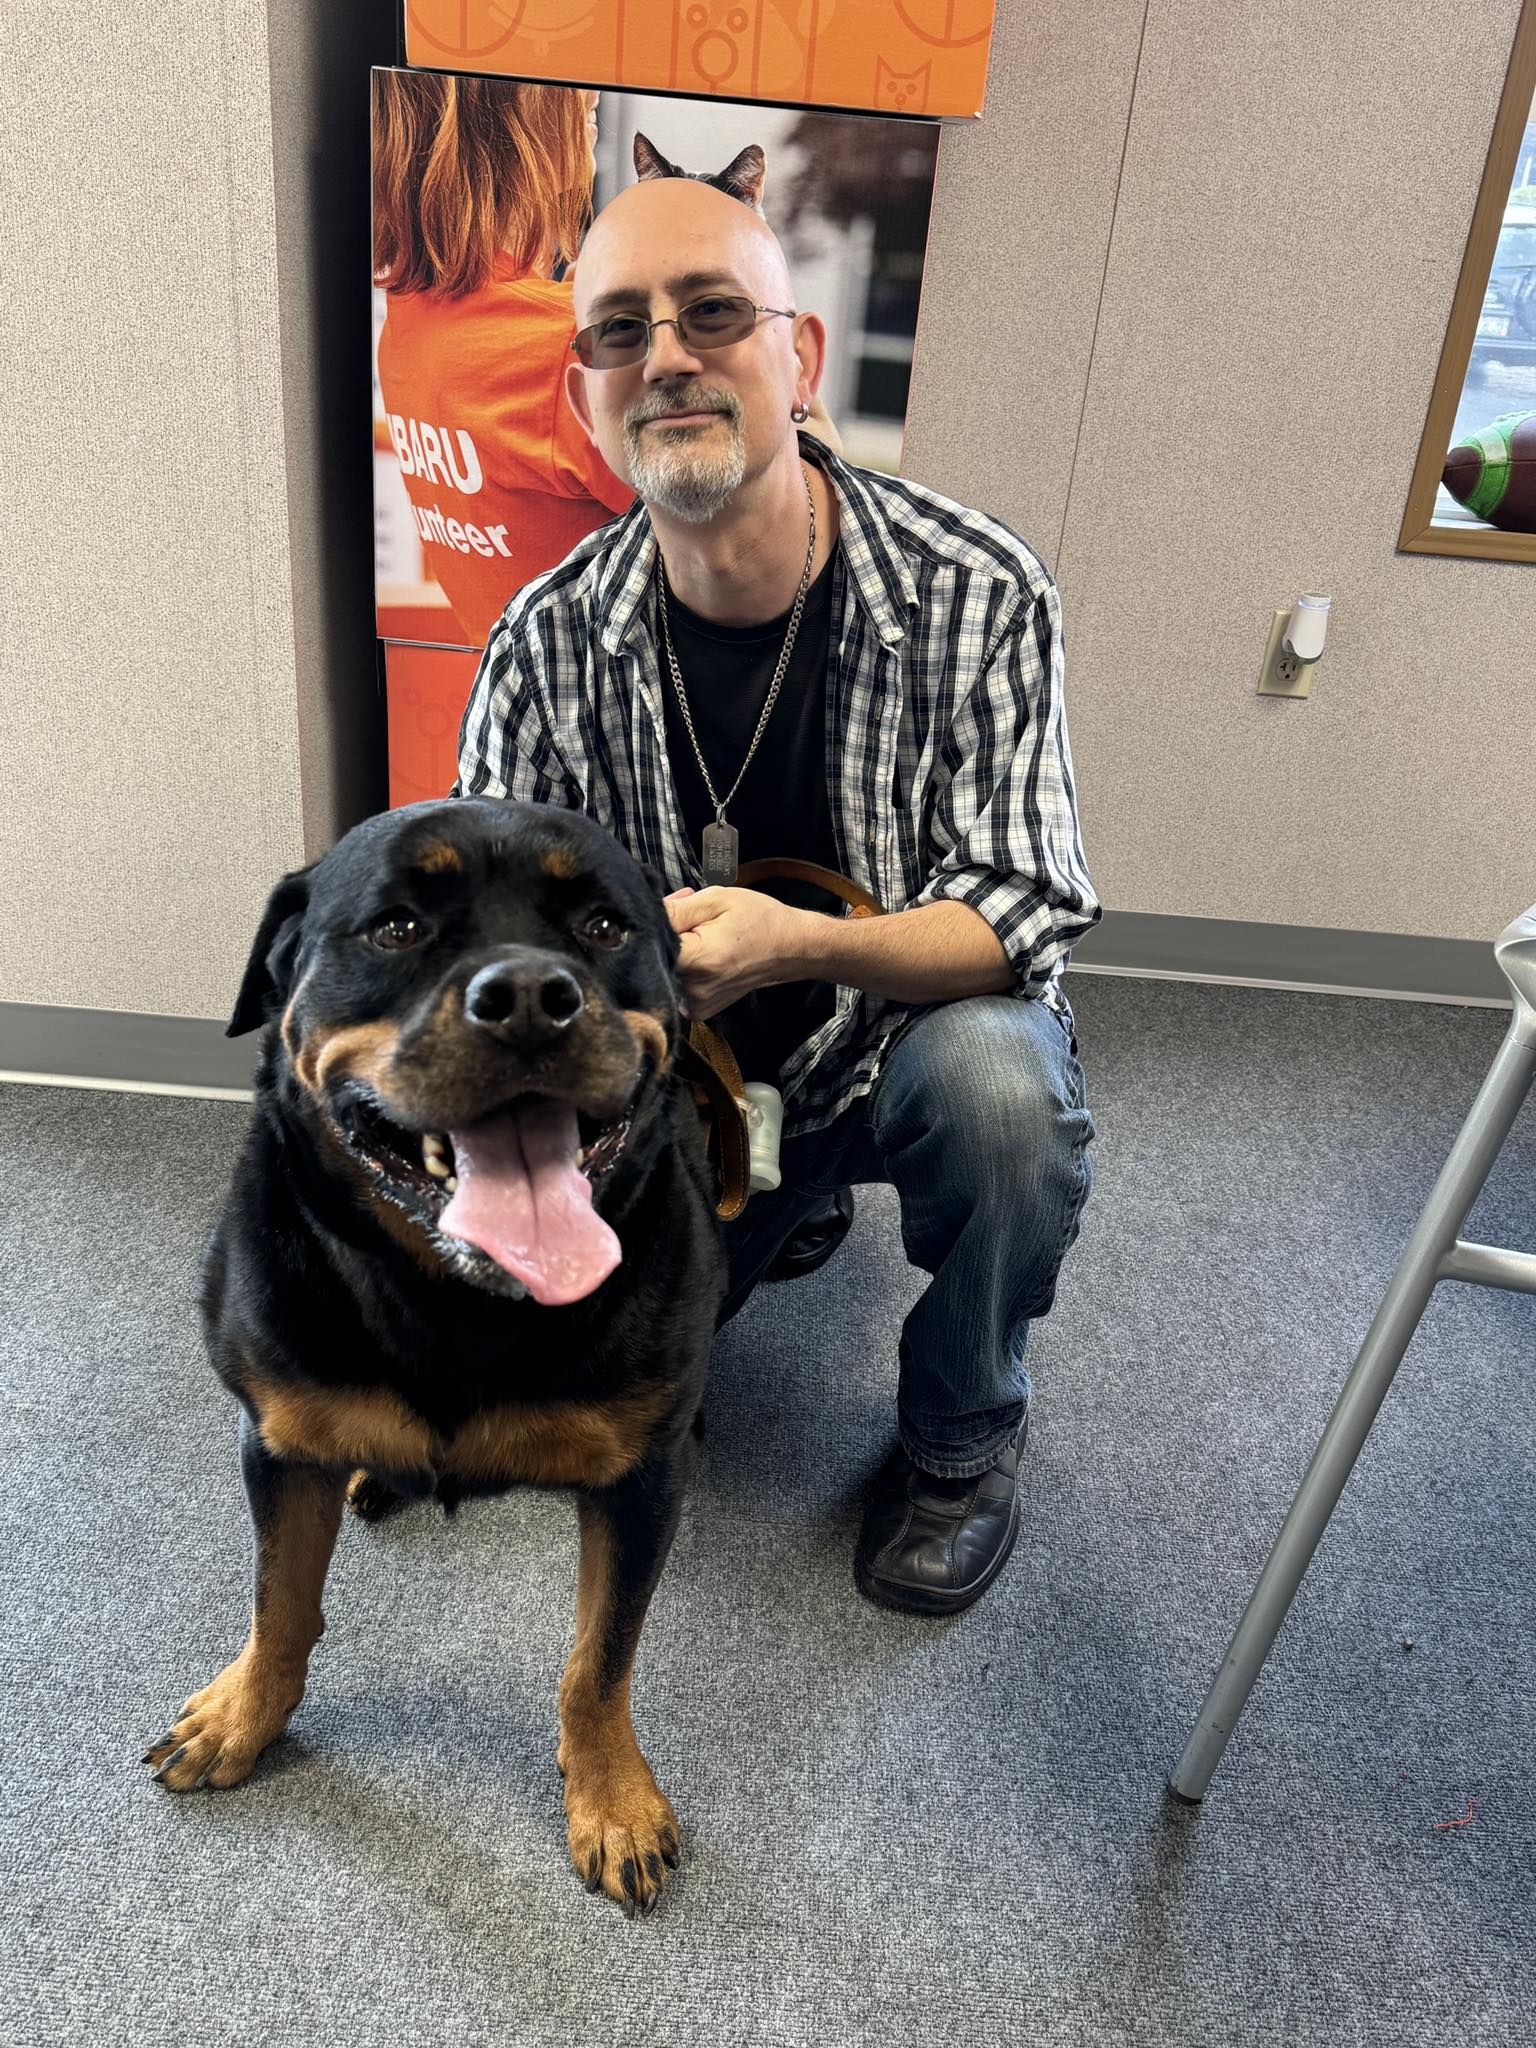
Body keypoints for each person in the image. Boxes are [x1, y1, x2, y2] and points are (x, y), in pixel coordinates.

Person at [453, 175, 1101, 1614]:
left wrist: (800, 943)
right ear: (585, 402)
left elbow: (1028, 906)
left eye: (714, 313)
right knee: (566, 1355)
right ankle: (768, 1204)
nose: (668, 354)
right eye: (620, 331)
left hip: (903, 1044)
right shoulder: (544, 643)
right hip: (677, 1075)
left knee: (1002, 1100)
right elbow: (492, 947)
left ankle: (960, 1439)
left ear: (798, 364)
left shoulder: (977, 587)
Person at [372, 72, 634, 648]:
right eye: (581, 108)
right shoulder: (571, 341)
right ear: (519, 128)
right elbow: (758, 547)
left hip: (515, 718)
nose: (591, 110)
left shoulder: (405, 327)